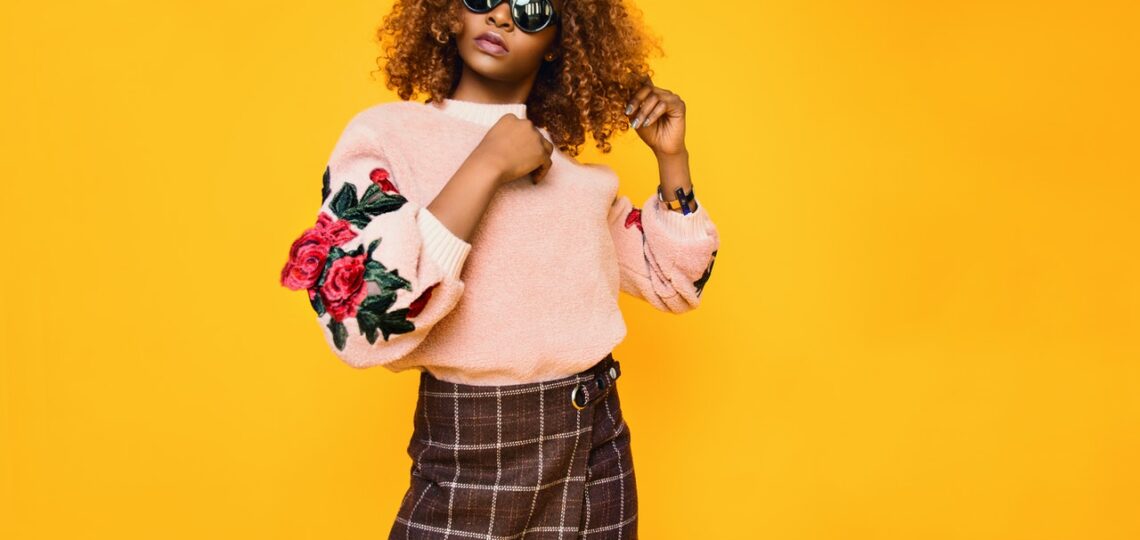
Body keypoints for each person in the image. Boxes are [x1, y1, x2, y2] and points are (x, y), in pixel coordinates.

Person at [279, 1, 720, 537]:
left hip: (596, 450)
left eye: (532, 9)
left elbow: (675, 282)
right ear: (449, 12)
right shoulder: (388, 137)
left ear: (559, 40)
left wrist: (672, 158)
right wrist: (487, 163)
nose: (501, 18)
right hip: (467, 453)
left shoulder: (575, 179)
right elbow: (361, 319)